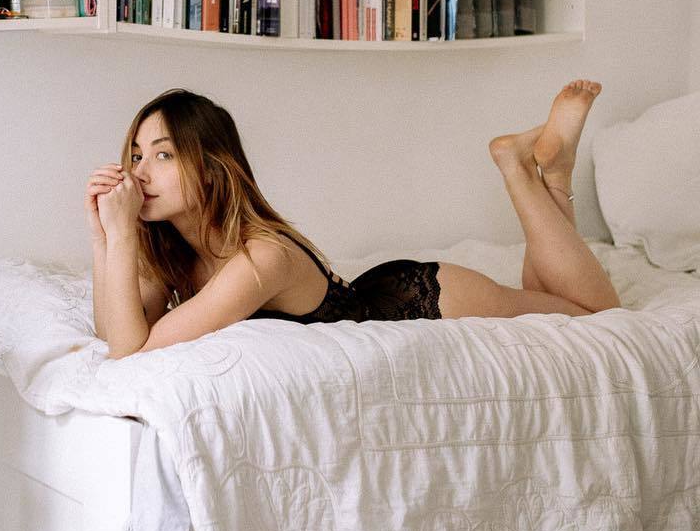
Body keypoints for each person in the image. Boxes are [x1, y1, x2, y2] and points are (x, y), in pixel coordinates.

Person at [85, 83, 619, 360]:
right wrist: (103, 233)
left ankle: (517, 171)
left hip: (423, 303)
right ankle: (555, 170)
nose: (140, 171)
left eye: (163, 154)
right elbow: (114, 333)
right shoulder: (170, 247)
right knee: (551, 297)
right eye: (136, 155)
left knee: (596, 316)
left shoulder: (261, 256)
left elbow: (131, 351)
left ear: (212, 168)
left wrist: (122, 233)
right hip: (378, 294)